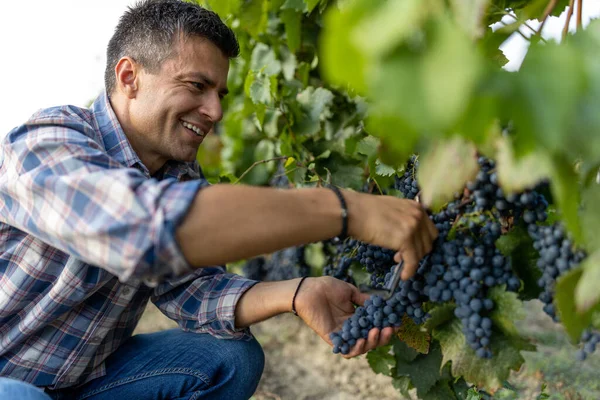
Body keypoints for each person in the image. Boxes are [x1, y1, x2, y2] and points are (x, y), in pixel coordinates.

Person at [0, 0, 438, 399]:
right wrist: (347, 210)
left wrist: (298, 291)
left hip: (77, 382)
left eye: (220, 94)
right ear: (129, 77)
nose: (216, 111)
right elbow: (142, 230)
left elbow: (193, 288)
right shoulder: (48, 143)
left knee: (231, 358)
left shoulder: (179, 174)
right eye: (196, 86)